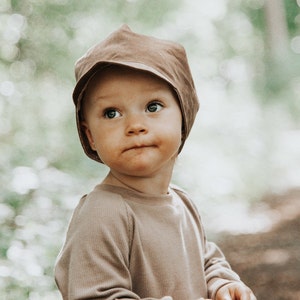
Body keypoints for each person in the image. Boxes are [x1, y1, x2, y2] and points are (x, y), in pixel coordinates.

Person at [55, 24, 256, 300]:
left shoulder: (182, 203)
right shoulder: (104, 213)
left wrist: (221, 283)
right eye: (111, 113)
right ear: (90, 136)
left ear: (184, 118)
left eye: (152, 107)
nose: (135, 125)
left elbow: (206, 262)